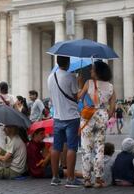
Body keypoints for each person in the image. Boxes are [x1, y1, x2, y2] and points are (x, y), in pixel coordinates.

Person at [77, 61, 116, 188]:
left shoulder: (89, 83)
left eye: (93, 69)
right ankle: (98, 179)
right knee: (100, 148)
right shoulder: (110, 86)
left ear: (98, 71)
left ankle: (87, 179)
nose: (90, 71)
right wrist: (106, 115)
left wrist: (79, 84)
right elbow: (113, 107)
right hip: (102, 115)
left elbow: (78, 97)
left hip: (89, 116)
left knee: (86, 148)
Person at [47, 55, 82, 188]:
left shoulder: (50, 77)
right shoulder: (70, 77)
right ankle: (70, 178)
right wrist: (79, 83)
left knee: (56, 147)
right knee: (72, 147)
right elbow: (76, 96)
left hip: (57, 116)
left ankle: (55, 177)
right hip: (71, 116)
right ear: (67, 63)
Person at [0, 81, 15, 150]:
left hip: (1, 124)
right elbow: (16, 109)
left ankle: (2, 159)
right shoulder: (12, 98)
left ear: (0, 89)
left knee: (1, 145)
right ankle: (9, 158)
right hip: (11, 124)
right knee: (10, 144)